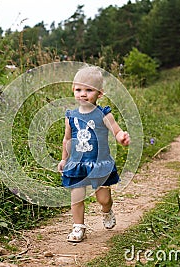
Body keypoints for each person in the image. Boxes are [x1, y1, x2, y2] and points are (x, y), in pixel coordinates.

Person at [57, 66, 130, 242]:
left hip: (99, 164)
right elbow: (67, 140)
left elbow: (116, 131)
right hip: (77, 164)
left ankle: (107, 211)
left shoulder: (103, 114)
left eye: (89, 90)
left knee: (103, 199)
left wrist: (122, 137)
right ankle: (78, 227)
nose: (83, 94)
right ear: (73, 90)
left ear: (100, 93)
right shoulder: (71, 116)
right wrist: (64, 159)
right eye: (79, 89)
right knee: (76, 197)